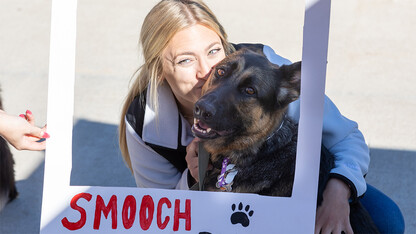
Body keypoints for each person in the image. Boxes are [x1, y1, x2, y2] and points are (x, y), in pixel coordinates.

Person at [118, 0, 404, 233]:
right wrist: (194, 178)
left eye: (214, 51)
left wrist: (338, 194)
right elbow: (161, 211)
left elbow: (346, 138)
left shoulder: (267, 76)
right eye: (185, 60)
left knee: (387, 220)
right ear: (158, 69)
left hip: (295, 180)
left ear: (225, 45)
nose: (205, 70)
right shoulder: (144, 121)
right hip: (219, 206)